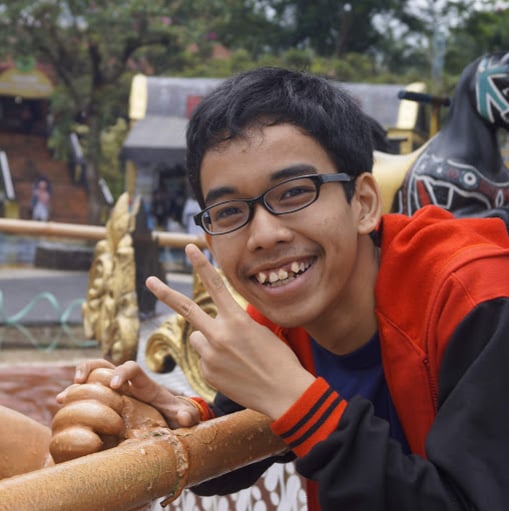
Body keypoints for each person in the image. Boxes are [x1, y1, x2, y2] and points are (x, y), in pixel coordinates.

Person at [58, 67, 509, 511]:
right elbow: (243, 446)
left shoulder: (478, 300)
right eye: (229, 211)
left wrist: (297, 400)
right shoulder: (278, 321)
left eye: (293, 193)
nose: (264, 235)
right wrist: (168, 417)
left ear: (364, 203)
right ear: (210, 239)